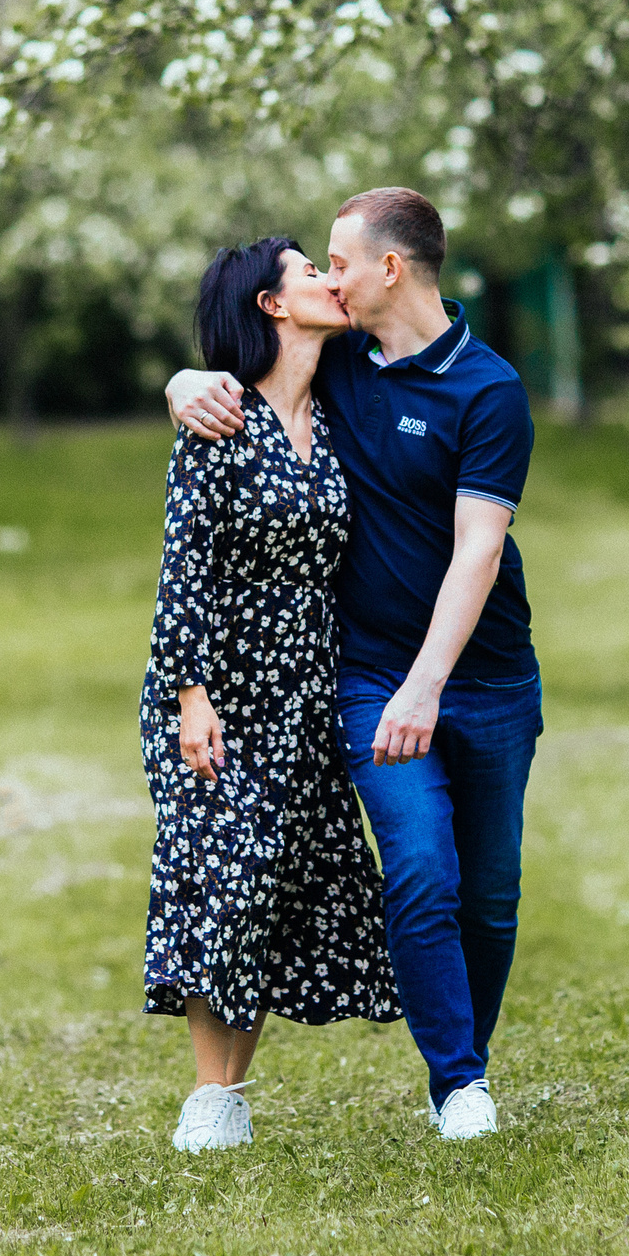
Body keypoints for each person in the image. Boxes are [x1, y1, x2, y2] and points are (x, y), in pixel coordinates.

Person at [166, 188, 538, 1142]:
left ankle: (465, 1070)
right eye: (315, 266)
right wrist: (181, 382)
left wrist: (432, 682)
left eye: (338, 260)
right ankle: (457, 1086)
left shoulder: (488, 390)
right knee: (419, 873)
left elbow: (477, 551)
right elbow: (241, 381)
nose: (328, 276)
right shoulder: (342, 372)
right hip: (367, 678)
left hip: (487, 679)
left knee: (489, 897)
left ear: (389, 269)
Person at [140, 235, 402, 1154]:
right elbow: (186, 568)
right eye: (310, 272)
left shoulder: (332, 413)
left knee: (275, 891)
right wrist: (190, 694)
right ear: (270, 305)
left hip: (307, 692)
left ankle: (233, 1091)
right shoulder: (220, 420)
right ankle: (206, 1098)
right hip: (219, 689)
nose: (332, 280)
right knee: (228, 879)